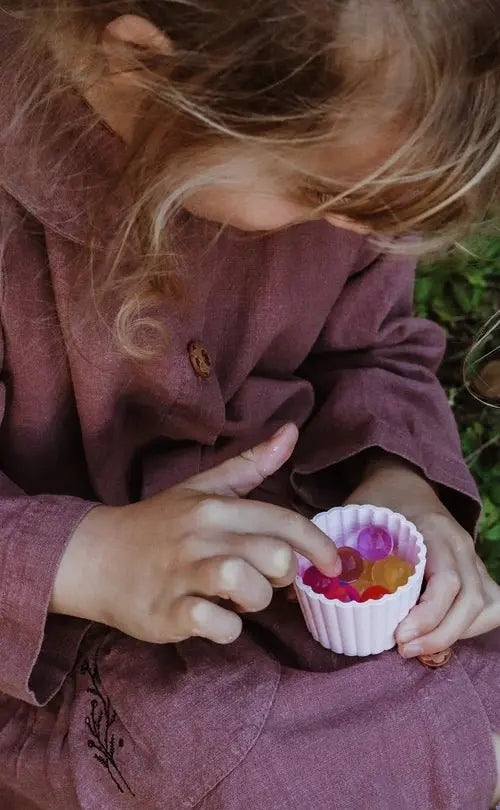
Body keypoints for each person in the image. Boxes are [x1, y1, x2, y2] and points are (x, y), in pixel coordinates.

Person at [0, 1, 499, 807]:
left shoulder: (353, 137)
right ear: (148, 70)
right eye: (323, 191)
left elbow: (374, 347)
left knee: (471, 678)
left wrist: (398, 479)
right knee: (248, 765)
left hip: (291, 542)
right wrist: (89, 559)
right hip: (56, 635)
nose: (351, 226)